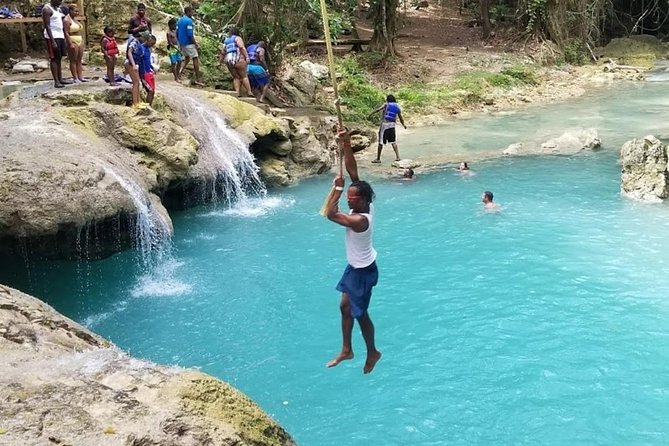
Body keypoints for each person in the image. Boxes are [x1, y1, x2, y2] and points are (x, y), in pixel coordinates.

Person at [325, 125, 382, 375]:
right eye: (347, 196)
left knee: (361, 314)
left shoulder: (360, 220)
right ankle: (347, 349)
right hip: (356, 267)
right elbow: (352, 170)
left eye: (352, 198)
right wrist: (346, 142)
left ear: (364, 200)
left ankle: (372, 351)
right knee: (344, 307)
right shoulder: (364, 203)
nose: (349, 199)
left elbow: (330, 213)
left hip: (363, 272)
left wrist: (337, 188)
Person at [368, 94, 407, 163]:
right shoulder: (397, 106)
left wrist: (371, 114)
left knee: (381, 142)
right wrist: (403, 124)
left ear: (388, 99)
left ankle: (378, 159)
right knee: (393, 141)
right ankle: (398, 157)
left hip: (385, 125)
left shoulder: (386, 104)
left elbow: (378, 109)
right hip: (392, 125)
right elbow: (400, 117)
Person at [42, 0, 70, 88]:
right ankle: (56, 81)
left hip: (60, 35)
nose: (60, 2)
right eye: (59, 0)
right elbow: (47, 25)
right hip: (52, 36)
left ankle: (60, 79)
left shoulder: (58, 9)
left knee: (59, 58)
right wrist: (52, 40)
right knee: (54, 58)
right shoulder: (47, 9)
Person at [220, 26, 252, 97]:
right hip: (238, 59)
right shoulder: (237, 38)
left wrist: (220, 61)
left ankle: (237, 92)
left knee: (236, 77)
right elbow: (241, 47)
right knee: (244, 76)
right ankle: (249, 92)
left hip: (229, 60)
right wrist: (247, 57)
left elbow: (223, 52)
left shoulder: (226, 40)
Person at [176, 6, 203, 86]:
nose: (192, 13)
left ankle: (179, 73)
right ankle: (198, 79)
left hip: (182, 43)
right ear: (188, 12)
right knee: (195, 58)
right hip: (189, 44)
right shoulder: (189, 21)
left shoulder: (179, 20)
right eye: (191, 12)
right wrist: (196, 44)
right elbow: (190, 34)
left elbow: (177, 33)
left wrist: (179, 43)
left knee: (187, 58)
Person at [62, 4, 86, 83]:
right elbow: (66, 32)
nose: (77, 13)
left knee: (79, 59)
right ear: (70, 11)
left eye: (78, 11)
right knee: (73, 60)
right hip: (72, 40)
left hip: (79, 40)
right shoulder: (66, 20)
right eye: (75, 11)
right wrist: (70, 43)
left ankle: (80, 76)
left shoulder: (75, 20)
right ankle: (75, 77)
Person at [124, 31, 147, 107]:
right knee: (136, 83)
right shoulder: (134, 42)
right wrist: (133, 65)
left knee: (137, 82)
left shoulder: (138, 42)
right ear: (141, 37)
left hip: (133, 64)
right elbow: (129, 52)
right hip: (130, 63)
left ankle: (138, 101)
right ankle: (135, 103)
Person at [140, 34, 156, 106]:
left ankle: (150, 105)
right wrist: (141, 75)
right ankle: (148, 106)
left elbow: (147, 61)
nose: (151, 45)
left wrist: (152, 68)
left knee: (153, 91)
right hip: (144, 73)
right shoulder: (141, 48)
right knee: (150, 91)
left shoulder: (148, 49)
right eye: (151, 43)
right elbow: (140, 62)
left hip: (149, 72)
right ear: (147, 40)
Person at [166, 18, 182, 82]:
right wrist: (177, 49)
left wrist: (179, 46)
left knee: (180, 61)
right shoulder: (168, 33)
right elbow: (170, 43)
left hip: (177, 47)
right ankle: (176, 77)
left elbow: (177, 39)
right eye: (174, 25)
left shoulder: (175, 31)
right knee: (173, 63)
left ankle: (177, 75)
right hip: (172, 49)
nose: (175, 27)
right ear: (170, 25)